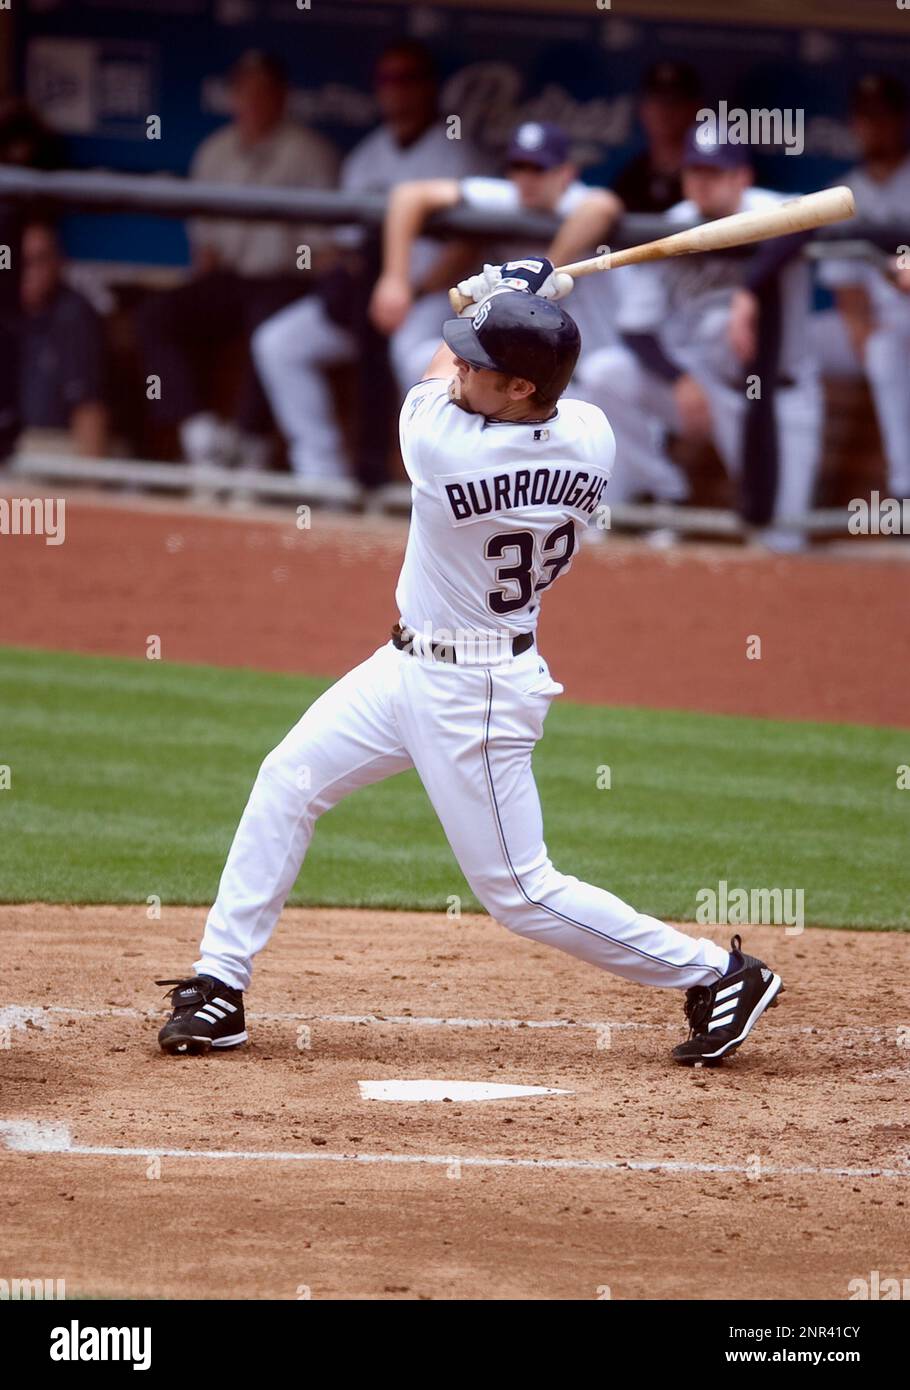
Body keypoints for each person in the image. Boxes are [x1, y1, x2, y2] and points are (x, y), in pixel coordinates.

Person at [156, 258, 783, 1068]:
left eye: (483, 365)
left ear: (522, 389)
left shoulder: (442, 446)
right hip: (407, 667)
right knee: (287, 780)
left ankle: (719, 973)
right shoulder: (591, 436)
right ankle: (219, 984)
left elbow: (429, 370)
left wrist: (502, 290)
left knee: (519, 892)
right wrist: (521, 307)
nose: (462, 368)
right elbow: (514, 375)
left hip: (473, 691)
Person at [574, 127, 822, 546]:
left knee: (780, 545)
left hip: (779, 398)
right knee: (602, 373)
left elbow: (815, 214)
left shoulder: (769, 208)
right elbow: (636, 328)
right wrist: (680, 380)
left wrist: (749, 290)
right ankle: (666, 491)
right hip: (704, 386)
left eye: (714, 172)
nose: (701, 183)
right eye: (694, 172)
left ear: (741, 178)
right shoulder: (678, 222)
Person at [251, 40, 483, 483]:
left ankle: (421, 482)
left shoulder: (455, 151)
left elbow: (468, 247)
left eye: (406, 78)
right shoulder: (365, 157)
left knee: (410, 354)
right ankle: (320, 474)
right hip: (371, 302)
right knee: (278, 343)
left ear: (428, 86)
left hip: (432, 297)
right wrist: (351, 276)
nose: (395, 90)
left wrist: (411, 292)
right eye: (386, 80)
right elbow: (337, 246)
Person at [138, 51, 339, 472]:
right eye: (245, 91)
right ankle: (199, 433)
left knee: (270, 323)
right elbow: (205, 250)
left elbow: (323, 253)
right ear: (232, 97)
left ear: (282, 97)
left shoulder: (309, 151)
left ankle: (250, 444)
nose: (254, 101)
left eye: (264, 91)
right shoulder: (214, 152)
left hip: (288, 278)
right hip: (229, 278)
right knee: (157, 314)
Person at [369, 120, 624, 401]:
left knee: (604, 378)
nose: (526, 178)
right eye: (519, 167)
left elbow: (604, 206)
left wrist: (543, 270)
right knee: (422, 357)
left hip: (587, 366)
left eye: (539, 168)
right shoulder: (507, 197)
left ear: (566, 174)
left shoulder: (578, 201)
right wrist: (395, 279)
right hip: (525, 365)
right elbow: (409, 195)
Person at [812, 74, 910, 500]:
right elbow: (850, 300)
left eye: (883, 117)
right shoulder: (844, 192)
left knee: (888, 350)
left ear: (902, 120)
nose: (873, 126)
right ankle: (798, 489)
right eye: (865, 117)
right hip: (877, 325)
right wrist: (864, 341)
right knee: (791, 349)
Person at [19, 219, 108, 457]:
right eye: (21, 262)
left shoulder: (75, 316)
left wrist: (90, 489)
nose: (29, 272)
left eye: (39, 260)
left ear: (58, 262)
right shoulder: (8, 315)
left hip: (54, 451)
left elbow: (89, 411)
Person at [611, 61, 703, 214]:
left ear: (695, 108)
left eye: (675, 102)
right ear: (643, 109)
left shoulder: (710, 176)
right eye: (657, 102)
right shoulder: (630, 176)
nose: (665, 112)